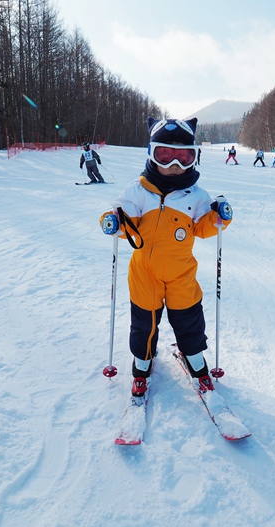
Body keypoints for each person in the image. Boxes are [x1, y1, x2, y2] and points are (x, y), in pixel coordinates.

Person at [99, 117, 233, 398]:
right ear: (151, 153)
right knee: (144, 323)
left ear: (194, 158)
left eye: (184, 157)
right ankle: (141, 365)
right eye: (165, 155)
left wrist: (217, 216)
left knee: (189, 319)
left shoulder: (195, 195)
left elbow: (202, 226)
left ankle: (196, 361)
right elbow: (123, 217)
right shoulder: (138, 192)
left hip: (181, 273)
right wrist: (113, 220)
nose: (175, 165)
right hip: (144, 272)